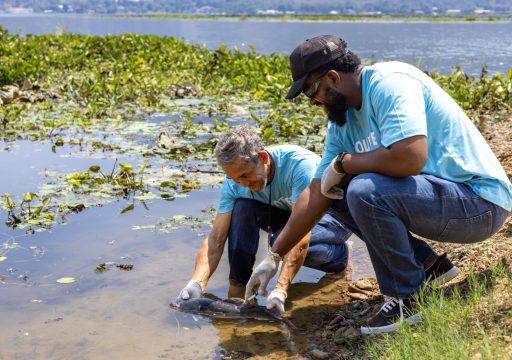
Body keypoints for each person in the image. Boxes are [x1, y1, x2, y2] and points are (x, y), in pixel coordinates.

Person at [244, 35, 512, 334]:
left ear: (332, 78)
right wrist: (274, 255)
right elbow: (318, 191)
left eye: (310, 91)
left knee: (362, 188)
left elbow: (410, 158)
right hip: (439, 201)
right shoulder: (341, 122)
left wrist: (346, 164)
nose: (311, 101)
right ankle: (427, 266)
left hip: (479, 204)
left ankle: (407, 297)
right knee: (338, 189)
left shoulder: (390, 83)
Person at [177, 126, 353, 314]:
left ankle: (340, 256)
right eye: (235, 179)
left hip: (333, 216)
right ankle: (238, 285)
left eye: (245, 175)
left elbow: (301, 235)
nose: (243, 184)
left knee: (280, 241)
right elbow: (216, 238)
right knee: (243, 208)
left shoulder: (300, 166)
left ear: (263, 158)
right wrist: (196, 283)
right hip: (291, 214)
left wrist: (280, 290)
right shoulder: (234, 182)